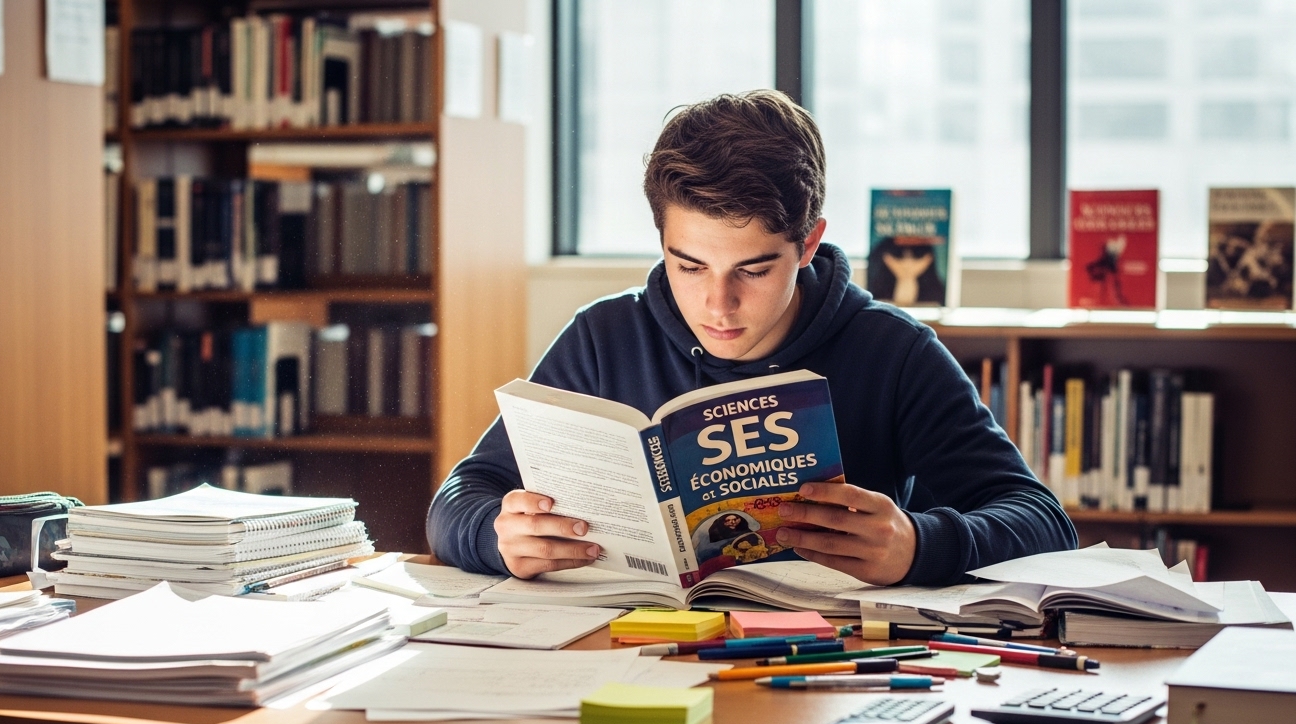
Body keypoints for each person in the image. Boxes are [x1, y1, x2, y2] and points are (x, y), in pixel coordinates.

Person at [427, 90, 1075, 586]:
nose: (718, 303)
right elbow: (457, 499)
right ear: (662, 242)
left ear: (808, 244)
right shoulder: (603, 338)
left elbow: (1045, 523)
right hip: (631, 656)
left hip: (827, 678)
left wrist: (917, 544)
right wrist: (497, 535)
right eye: (689, 266)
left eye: (754, 269)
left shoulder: (893, 351)